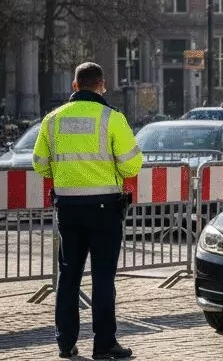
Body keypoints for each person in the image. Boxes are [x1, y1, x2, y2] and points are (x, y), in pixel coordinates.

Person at [32, 63, 141, 359]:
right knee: (103, 277)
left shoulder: (52, 120)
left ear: (75, 86)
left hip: (68, 208)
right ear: (102, 85)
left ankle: (65, 343)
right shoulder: (112, 118)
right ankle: (104, 345)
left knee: (69, 276)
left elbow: (40, 164)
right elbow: (132, 164)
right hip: (105, 208)